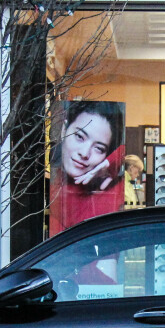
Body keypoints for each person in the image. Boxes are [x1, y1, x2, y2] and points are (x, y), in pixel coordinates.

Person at [49, 100, 125, 233]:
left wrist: (110, 163)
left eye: (99, 149)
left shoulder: (108, 192)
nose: (84, 153)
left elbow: (123, 150)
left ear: (107, 154)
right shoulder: (55, 183)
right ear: (63, 131)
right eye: (79, 136)